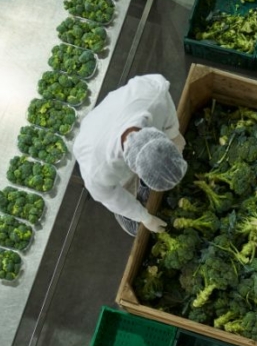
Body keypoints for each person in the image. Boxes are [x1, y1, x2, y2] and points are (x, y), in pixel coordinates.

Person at [73, 74, 188, 236]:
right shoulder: (98, 170)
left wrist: (174, 134)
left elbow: (163, 97)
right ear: (136, 169)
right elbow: (111, 198)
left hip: (120, 108)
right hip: (92, 135)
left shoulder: (154, 94)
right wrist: (145, 217)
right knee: (127, 191)